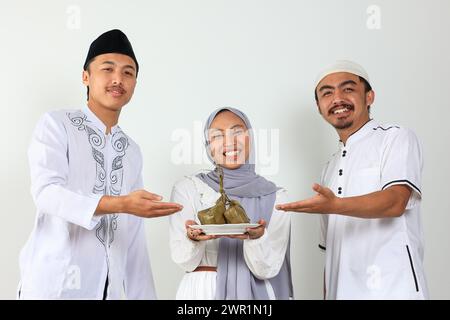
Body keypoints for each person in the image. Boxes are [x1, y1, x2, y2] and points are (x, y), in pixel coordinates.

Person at [18, 29, 182, 299]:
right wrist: (121, 203)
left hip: (109, 291)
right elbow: (47, 194)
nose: (118, 79)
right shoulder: (57, 125)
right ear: (86, 76)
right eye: (108, 69)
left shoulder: (130, 150)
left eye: (128, 73)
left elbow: (135, 240)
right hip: (54, 287)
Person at [277, 60, 428, 299]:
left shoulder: (396, 138)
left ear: (369, 97)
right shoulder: (328, 168)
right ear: (319, 107)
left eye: (348, 89)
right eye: (327, 93)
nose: (337, 98)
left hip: (394, 290)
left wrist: (336, 205)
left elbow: (395, 202)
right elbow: (331, 253)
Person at [169, 107, 293, 299]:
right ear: (208, 145)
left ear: (250, 138)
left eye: (238, 132)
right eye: (217, 136)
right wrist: (192, 239)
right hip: (202, 292)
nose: (229, 142)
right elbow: (185, 262)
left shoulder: (276, 197)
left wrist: (257, 238)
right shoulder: (188, 188)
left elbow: (267, 270)